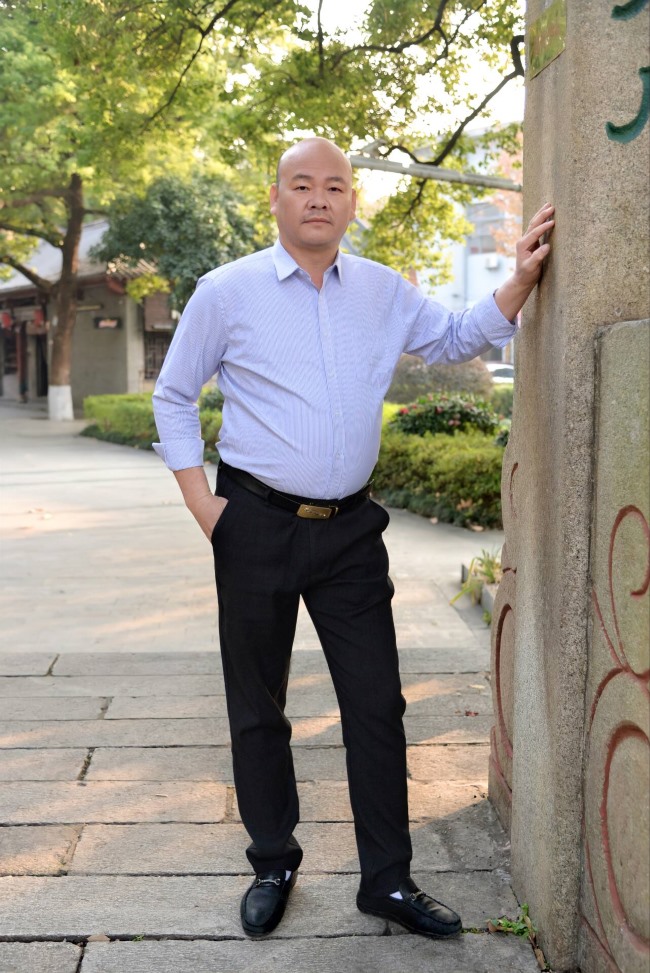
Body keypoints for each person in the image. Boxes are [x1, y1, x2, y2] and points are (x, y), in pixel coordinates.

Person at [152, 137, 554, 940]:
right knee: (257, 706)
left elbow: (454, 337)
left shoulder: (381, 288)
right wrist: (208, 510)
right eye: (302, 184)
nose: (318, 198)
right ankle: (273, 859)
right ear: (276, 198)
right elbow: (172, 395)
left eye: (334, 186)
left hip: (351, 533)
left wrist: (517, 280)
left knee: (376, 703)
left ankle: (388, 879)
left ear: (351, 203)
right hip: (253, 523)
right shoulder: (226, 291)